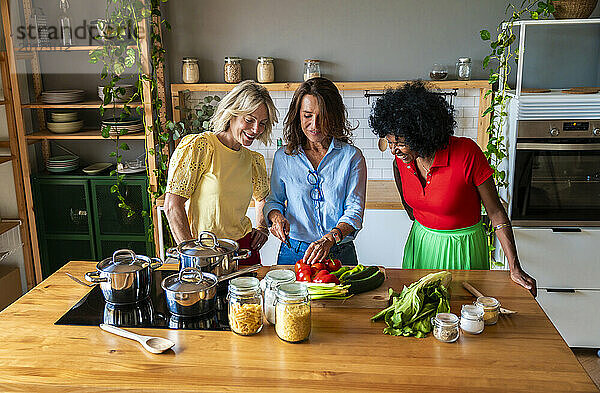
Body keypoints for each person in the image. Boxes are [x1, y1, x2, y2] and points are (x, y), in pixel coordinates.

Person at [369, 80, 536, 295]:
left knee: (461, 315)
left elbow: (495, 212)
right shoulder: (400, 163)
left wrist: (514, 267)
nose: (394, 151)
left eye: (400, 143)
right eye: (390, 142)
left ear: (422, 134)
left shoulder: (467, 153)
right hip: (420, 246)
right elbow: (412, 210)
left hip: (461, 250)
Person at [164, 80, 278, 265]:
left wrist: (262, 227)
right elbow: (172, 206)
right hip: (204, 251)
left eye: (262, 123)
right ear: (232, 113)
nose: (256, 129)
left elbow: (262, 198)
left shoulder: (254, 160)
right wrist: (193, 254)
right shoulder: (200, 146)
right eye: (249, 120)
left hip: (244, 251)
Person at [264, 77, 367, 266]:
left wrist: (329, 238)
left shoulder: (352, 157)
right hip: (293, 252)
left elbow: (354, 211)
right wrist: (276, 216)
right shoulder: (283, 157)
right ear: (298, 115)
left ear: (334, 116)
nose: (315, 125)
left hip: (338, 252)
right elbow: (274, 201)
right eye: (308, 115)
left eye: (323, 116)